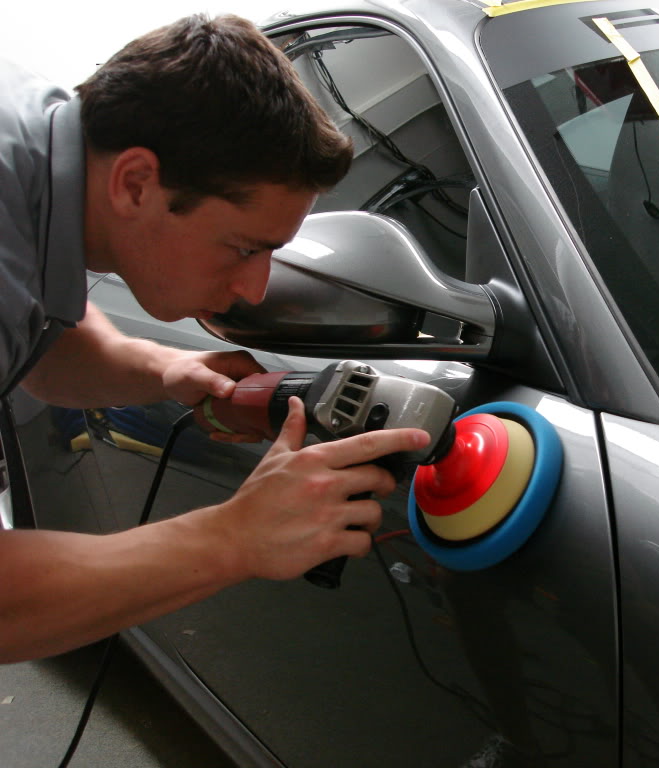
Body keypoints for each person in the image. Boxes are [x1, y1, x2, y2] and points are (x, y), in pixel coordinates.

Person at [0, 14, 428, 663]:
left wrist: (162, 369)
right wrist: (234, 538)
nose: (255, 288)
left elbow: (45, 332)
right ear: (135, 183)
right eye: (243, 247)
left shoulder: (48, 142)